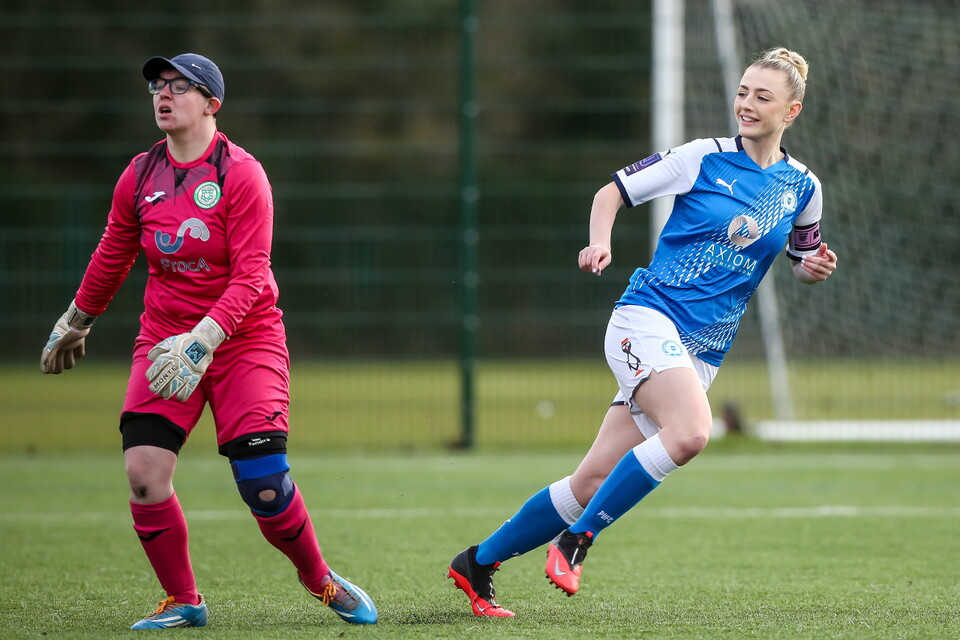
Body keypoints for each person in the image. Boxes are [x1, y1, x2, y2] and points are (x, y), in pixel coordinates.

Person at [447, 46, 838, 617]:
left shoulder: (803, 186)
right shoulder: (703, 157)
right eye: (743, 92)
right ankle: (577, 541)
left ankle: (477, 563)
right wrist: (599, 240)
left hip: (701, 351)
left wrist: (814, 269)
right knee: (691, 434)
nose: (747, 104)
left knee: (591, 480)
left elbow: (803, 262)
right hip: (647, 318)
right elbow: (612, 192)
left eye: (763, 96)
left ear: (792, 111)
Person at [40, 53, 378, 629]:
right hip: (164, 340)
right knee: (144, 473)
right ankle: (184, 600)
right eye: (157, 86)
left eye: (179, 87)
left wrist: (205, 338)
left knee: (265, 486)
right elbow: (115, 251)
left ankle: (319, 579)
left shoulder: (241, 173)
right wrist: (78, 317)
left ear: (211, 104)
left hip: (245, 340)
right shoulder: (140, 175)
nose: (163, 95)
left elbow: (253, 274)